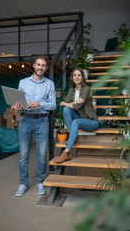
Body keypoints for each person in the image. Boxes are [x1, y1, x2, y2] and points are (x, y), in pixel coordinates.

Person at [11, 56, 56, 197]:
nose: (40, 67)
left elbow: (53, 105)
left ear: (46, 68)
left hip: (42, 120)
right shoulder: (23, 83)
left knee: (42, 155)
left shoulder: (50, 84)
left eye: (43, 65)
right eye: (38, 64)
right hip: (25, 120)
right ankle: (23, 183)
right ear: (33, 65)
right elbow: (18, 106)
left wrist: (39, 103)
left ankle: (39, 182)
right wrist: (17, 108)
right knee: (24, 154)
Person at [54, 68, 99, 163]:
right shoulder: (72, 90)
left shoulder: (87, 89)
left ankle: (66, 152)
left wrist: (70, 103)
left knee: (75, 120)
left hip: (91, 121)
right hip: (80, 118)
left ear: (82, 77)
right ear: (72, 77)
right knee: (66, 109)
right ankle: (73, 139)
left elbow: (77, 105)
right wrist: (72, 103)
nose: (77, 77)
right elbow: (65, 104)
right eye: (75, 75)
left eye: (79, 75)